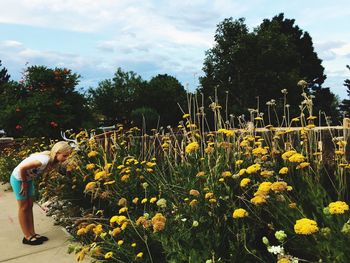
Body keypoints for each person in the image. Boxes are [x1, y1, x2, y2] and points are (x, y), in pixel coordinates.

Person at [10, 141, 72, 245]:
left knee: (29, 206)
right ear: (57, 153)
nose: (66, 158)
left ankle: (33, 233)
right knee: (23, 207)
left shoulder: (52, 162)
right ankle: (27, 236)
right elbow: (22, 168)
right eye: (64, 156)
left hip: (28, 179)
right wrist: (24, 183)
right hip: (18, 179)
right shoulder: (43, 160)